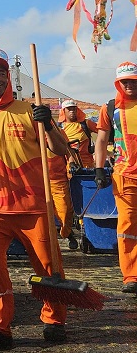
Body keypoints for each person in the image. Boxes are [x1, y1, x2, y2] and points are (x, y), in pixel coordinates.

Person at [0, 56, 70, 350]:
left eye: (2, 73)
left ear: (9, 79)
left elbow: (59, 150)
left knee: (48, 264)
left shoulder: (31, 111)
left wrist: (47, 125)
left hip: (33, 204)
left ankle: (54, 319)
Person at [94, 61, 137, 293]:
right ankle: (131, 275)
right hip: (125, 176)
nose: (129, 85)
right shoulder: (110, 108)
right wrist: (99, 169)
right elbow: (101, 140)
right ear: (118, 84)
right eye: (125, 81)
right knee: (128, 225)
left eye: (133, 80)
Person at [59, 99, 97, 170]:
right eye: (69, 109)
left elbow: (103, 132)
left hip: (87, 166)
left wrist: (99, 146)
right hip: (69, 166)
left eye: (74, 109)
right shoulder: (60, 128)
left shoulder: (86, 123)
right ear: (63, 111)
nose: (72, 111)